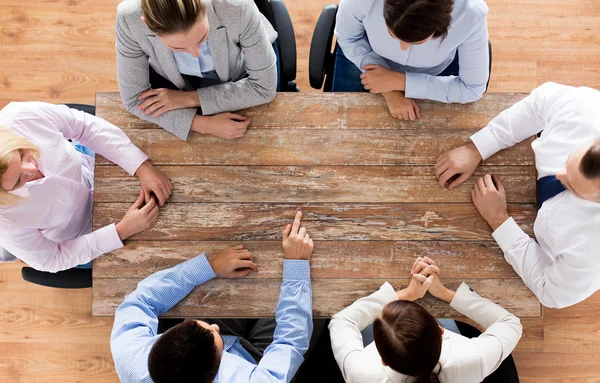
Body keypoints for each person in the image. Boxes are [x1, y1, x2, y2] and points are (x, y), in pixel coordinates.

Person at [434, 82, 600, 309]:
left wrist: (499, 221)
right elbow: (538, 105)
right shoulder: (586, 108)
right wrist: (478, 147)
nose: (559, 174)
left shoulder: (592, 252)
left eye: (572, 186)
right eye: (569, 161)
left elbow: (550, 292)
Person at [110, 211, 314, 383]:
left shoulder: (131, 356)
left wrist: (210, 266)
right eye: (214, 333)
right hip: (255, 363)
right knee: (311, 306)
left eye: (197, 325)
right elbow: (289, 343)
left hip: (217, 352)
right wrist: (297, 264)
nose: (215, 326)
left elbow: (141, 300)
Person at [0, 102, 172, 272]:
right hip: (85, 236)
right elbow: (53, 259)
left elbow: (84, 127)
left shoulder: (20, 116)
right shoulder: (4, 222)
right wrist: (121, 231)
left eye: (21, 154)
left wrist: (141, 165)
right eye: (17, 181)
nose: (33, 168)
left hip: (91, 166)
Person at [329, 256, 522, 383]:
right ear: (440, 330)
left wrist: (404, 294)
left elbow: (342, 321)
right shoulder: (473, 358)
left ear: (383, 360)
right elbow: (510, 323)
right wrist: (443, 293)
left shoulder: (361, 373)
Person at [116, 0, 279, 141]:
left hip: (239, 72)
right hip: (174, 80)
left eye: (202, 38)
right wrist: (203, 124)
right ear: (147, 24)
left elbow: (263, 88)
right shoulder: (129, 18)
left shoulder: (237, 6)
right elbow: (134, 99)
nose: (195, 53)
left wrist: (189, 99)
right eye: (177, 47)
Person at [333, 0, 489, 120]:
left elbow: (472, 89)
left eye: (418, 42)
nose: (403, 48)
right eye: (392, 35)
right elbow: (349, 37)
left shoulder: (472, 12)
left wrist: (400, 81)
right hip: (364, 53)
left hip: (435, 69)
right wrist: (390, 91)